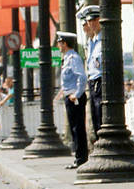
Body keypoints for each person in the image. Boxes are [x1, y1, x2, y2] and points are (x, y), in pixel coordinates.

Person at [54, 31, 88, 169]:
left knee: (77, 128)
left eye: (59, 42)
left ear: (65, 43)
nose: (58, 45)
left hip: (75, 97)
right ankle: (79, 157)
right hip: (70, 96)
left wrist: (77, 94)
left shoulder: (73, 58)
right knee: (75, 128)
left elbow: (82, 77)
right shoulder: (67, 58)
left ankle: (81, 158)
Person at [82, 5, 102, 139]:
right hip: (93, 81)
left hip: (101, 80)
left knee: (100, 112)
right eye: (90, 21)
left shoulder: (103, 39)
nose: (92, 24)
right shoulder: (92, 42)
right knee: (95, 114)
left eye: (95, 20)